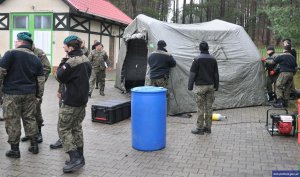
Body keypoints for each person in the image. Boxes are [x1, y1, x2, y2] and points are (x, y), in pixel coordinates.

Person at [0, 32, 45, 158]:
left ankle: (15, 150)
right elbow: (40, 79)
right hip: (30, 94)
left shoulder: (11, 53)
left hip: (12, 94)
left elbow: (1, 73)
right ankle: (34, 145)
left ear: (20, 42)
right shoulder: (36, 58)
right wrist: (38, 95)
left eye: (16, 41)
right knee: (30, 119)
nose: (15, 42)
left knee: (12, 120)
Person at [56, 35, 91, 173]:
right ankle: (80, 156)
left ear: (70, 48)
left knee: (63, 129)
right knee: (76, 127)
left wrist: (63, 61)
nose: (63, 47)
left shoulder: (70, 62)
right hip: (82, 100)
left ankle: (74, 157)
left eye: (65, 46)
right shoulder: (86, 59)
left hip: (71, 101)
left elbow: (59, 76)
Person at [21, 44, 51, 143]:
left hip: (35, 88)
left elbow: (47, 68)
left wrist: (39, 81)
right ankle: (29, 134)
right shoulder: (21, 52)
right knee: (25, 113)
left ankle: (39, 133)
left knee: (36, 111)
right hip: (24, 88)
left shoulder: (39, 53)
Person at [188, 41, 219, 135]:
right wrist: (216, 85)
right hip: (210, 86)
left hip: (200, 87)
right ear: (208, 48)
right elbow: (216, 74)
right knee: (209, 108)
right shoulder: (213, 59)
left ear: (200, 49)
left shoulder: (197, 59)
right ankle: (208, 128)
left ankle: (199, 128)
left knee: (200, 108)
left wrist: (190, 86)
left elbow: (192, 74)